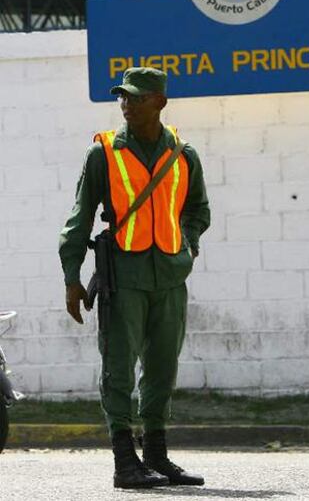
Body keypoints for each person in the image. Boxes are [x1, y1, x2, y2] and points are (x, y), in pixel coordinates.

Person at [59, 67, 210, 490]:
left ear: (159, 102)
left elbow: (199, 209)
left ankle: (157, 456)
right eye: (123, 98)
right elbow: (79, 218)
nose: (126, 105)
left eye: (136, 98)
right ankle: (124, 461)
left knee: (163, 368)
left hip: (169, 277)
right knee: (119, 369)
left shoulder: (183, 155)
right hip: (122, 277)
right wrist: (72, 277)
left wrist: (189, 242)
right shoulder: (103, 153)